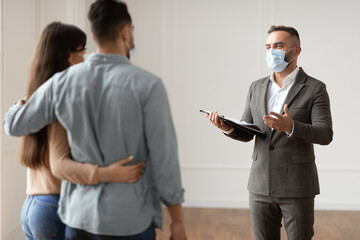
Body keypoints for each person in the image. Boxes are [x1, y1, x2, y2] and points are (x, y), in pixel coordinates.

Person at [4, 1, 187, 239]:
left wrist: (22, 102)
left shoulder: (62, 82)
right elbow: (165, 157)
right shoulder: (149, 85)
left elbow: (15, 125)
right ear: (126, 31)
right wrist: (177, 220)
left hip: (79, 219)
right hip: (130, 220)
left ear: (93, 35)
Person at [16, 22, 144, 240]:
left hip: (31, 206)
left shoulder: (34, 99)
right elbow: (60, 165)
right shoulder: (60, 103)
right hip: (54, 206)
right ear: (68, 55)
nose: (85, 58)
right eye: (82, 52)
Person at [207, 25, 333, 240]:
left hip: (297, 185)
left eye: (279, 46)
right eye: (268, 46)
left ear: (296, 50)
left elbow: (325, 134)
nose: (271, 51)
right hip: (259, 185)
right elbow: (248, 131)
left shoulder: (314, 88)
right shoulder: (256, 87)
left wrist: (290, 127)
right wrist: (227, 127)